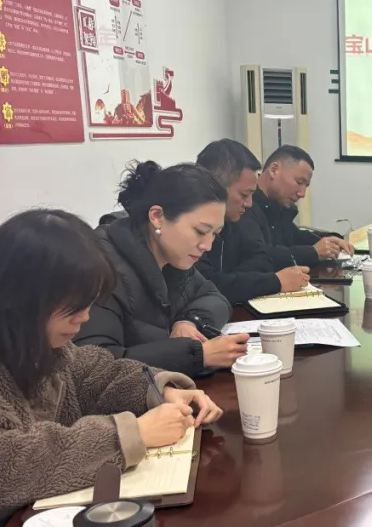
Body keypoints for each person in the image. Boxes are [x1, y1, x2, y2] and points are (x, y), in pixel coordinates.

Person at [0, 210, 223, 527]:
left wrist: (160, 389)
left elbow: (92, 373)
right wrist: (130, 435)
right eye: (75, 305)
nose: (84, 318)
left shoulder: (30, 339)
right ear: (21, 296)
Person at [77, 161, 249, 375]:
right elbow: (96, 366)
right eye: (200, 231)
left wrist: (189, 321)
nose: (207, 246)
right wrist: (197, 356)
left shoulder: (173, 259)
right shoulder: (102, 268)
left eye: (214, 234)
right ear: (157, 217)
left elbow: (215, 298)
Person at [194, 139, 311, 303]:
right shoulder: (188, 228)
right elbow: (206, 286)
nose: (249, 203)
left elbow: (261, 258)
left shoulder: (232, 219)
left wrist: (235, 282)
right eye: (244, 195)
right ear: (214, 188)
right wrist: (273, 282)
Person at [241, 145, 354, 268]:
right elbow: (258, 255)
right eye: (299, 182)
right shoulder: (244, 205)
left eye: (306, 186)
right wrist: (312, 252)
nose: (302, 194)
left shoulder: (276, 204)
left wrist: (331, 239)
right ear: (274, 170)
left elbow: (294, 236)